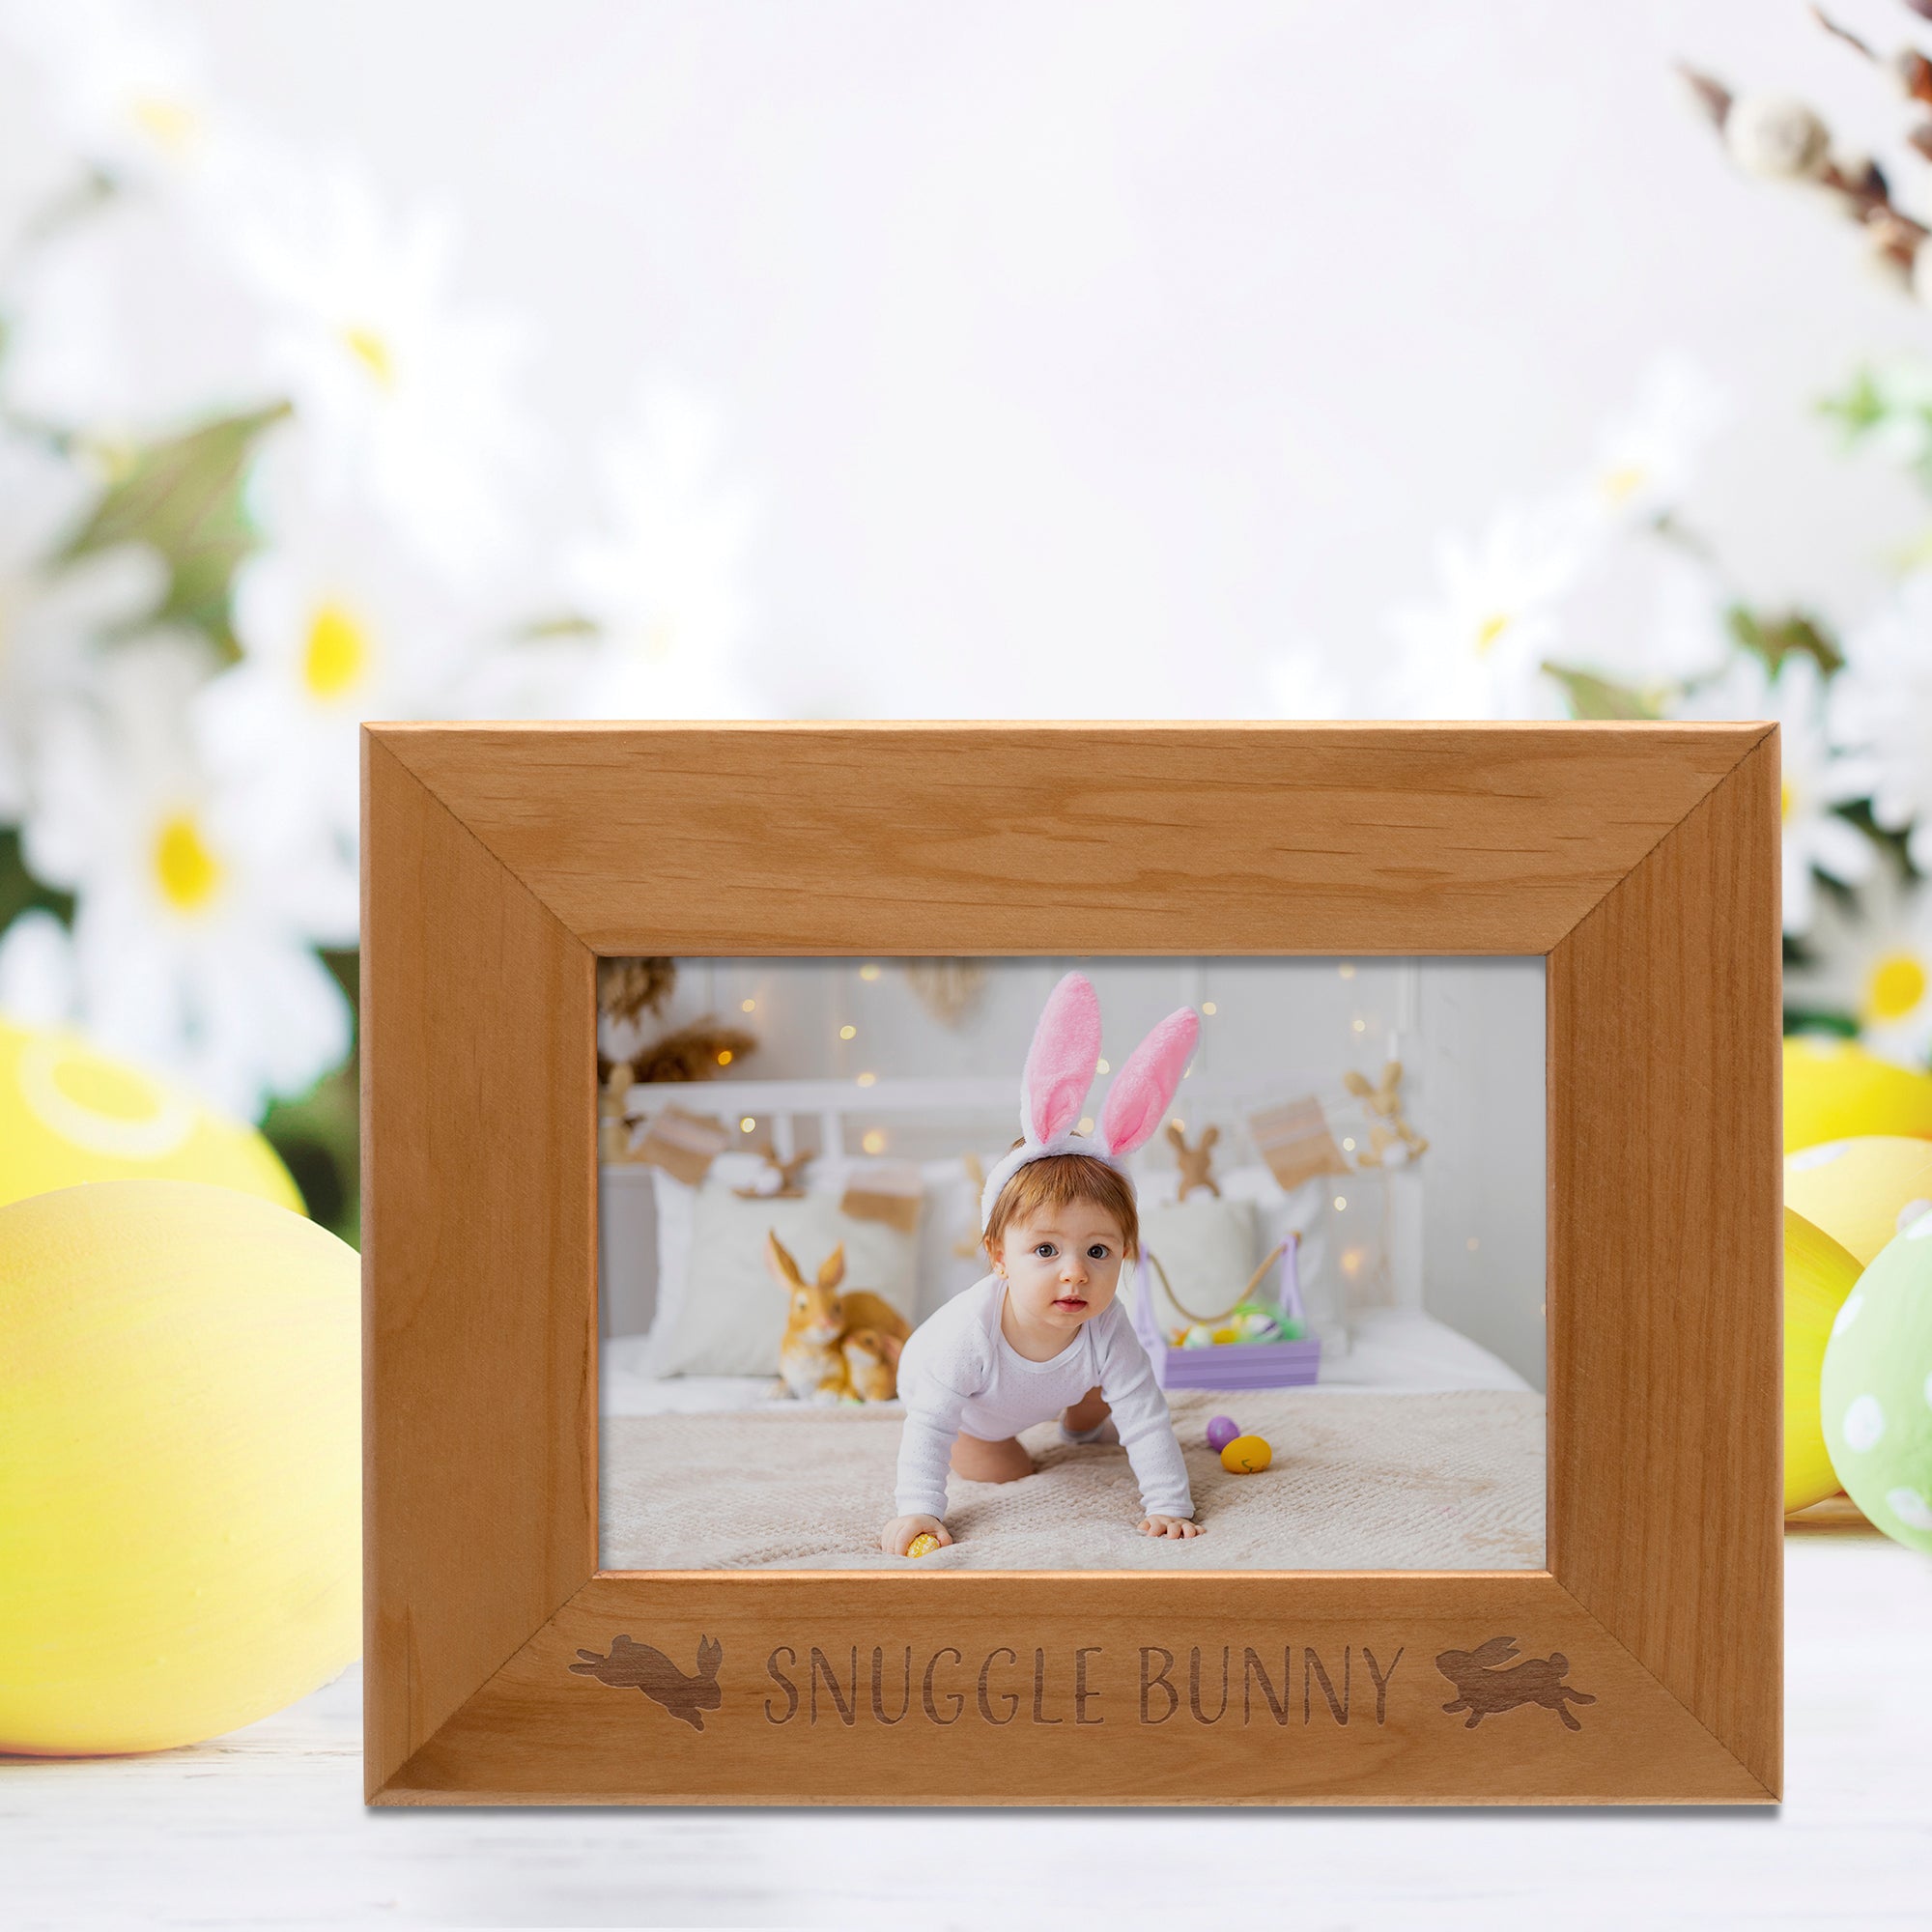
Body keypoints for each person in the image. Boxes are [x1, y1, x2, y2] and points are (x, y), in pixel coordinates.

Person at [879, 972, 1202, 1554]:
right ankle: (1027, 1437)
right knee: (1013, 1471)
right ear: (1000, 1256)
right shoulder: (968, 1333)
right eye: (1046, 1250)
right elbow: (929, 1426)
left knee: (1115, 1383)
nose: (1074, 1272)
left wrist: (1169, 1507)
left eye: (1097, 1251)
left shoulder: (1106, 1320)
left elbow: (1148, 1415)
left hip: (1053, 1385)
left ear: (1124, 1253)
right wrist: (917, 1510)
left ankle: (1078, 1425)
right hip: (972, 1413)